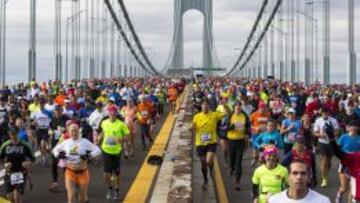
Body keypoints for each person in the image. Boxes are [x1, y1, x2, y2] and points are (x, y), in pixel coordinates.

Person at [52, 122, 101, 203]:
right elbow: (55, 149)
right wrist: (58, 155)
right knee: (71, 197)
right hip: (70, 173)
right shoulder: (66, 142)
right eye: (72, 131)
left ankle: (85, 199)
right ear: (68, 132)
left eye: (76, 131)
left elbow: (98, 150)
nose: (74, 133)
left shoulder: (84, 141)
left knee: (82, 199)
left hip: (83, 173)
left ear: (79, 131)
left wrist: (89, 156)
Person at [98, 105, 130, 200]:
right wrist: (99, 137)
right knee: (106, 174)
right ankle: (109, 188)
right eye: (110, 112)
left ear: (116, 114)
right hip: (106, 150)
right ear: (108, 113)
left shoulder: (121, 124)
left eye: (114, 112)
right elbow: (103, 132)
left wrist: (121, 139)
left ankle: (117, 189)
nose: (112, 114)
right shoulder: (104, 122)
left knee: (117, 173)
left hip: (116, 151)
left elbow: (128, 137)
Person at [191, 99, 224, 189]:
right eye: (203, 105)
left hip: (211, 142)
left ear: (209, 106)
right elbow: (193, 127)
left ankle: (211, 167)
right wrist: (191, 127)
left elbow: (226, 114)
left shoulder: (214, 115)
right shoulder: (197, 116)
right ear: (201, 106)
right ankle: (205, 180)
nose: (205, 107)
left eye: (207, 105)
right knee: (203, 163)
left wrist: (225, 105)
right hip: (200, 143)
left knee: (208, 161)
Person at [0, 128, 35, 203]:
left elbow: (33, 158)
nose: (13, 136)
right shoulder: (5, 145)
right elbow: (1, 158)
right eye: (11, 135)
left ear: (17, 134)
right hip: (9, 173)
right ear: (9, 135)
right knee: (10, 197)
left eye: (14, 134)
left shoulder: (24, 145)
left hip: (21, 172)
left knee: (17, 195)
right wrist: (5, 165)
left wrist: (28, 163)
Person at [328, 121, 360, 203]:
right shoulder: (344, 137)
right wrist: (331, 139)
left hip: (356, 163)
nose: (353, 128)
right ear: (348, 128)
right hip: (345, 163)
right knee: (344, 188)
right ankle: (339, 194)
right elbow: (337, 150)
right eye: (351, 126)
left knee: (353, 189)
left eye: (355, 126)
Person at [313, 107, 340, 187]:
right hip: (322, 143)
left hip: (331, 143)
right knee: (324, 161)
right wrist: (321, 135)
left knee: (329, 161)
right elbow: (315, 133)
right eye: (324, 113)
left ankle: (326, 171)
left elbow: (337, 131)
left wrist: (331, 135)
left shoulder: (333, 120)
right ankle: (324, 179)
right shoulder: (318, 121)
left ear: (329, 113)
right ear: (321, 113)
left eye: (327, 113)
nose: (325, 114)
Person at [227, 101, 250, 190]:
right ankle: (231, 168)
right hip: (231, 141)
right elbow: (224, 128)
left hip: (240, 141)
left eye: (239, 108)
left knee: (238, 162)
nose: (238, 109)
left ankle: (237, 183)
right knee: (232, 160)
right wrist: (231, 127)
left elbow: (248, 128)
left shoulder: (245, 116)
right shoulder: (230, 116)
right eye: (236, 108)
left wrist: (248, 135)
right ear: (234, 108)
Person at [250, 102, 271, 166]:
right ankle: (254, 158)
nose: (262, 109)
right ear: (258, 108)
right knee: (255, 147)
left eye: (264, 108)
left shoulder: (268, 114)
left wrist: (268, 129)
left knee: (262, 147)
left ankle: (261, 161)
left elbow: (269, 123)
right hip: (256, 133)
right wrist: (255, 128)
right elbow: (249, 125)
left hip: (264, 134)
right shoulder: (254, 114)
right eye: (261, 108)